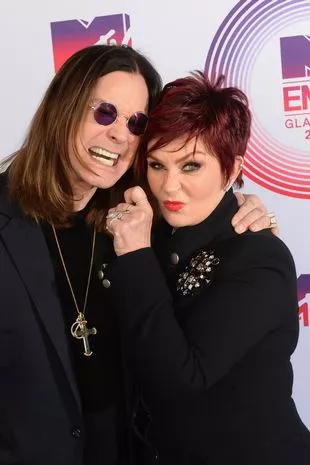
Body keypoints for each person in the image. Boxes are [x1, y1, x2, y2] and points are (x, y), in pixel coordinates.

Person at [0, 45, 276, 465]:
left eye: (136, 122)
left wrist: (242, 209)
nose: (119, 134)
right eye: (105, 112)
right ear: (64, 108)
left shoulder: (137, 220)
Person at [106, 71, 310, 465]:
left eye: (191, 166)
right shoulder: (157, 229)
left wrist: (134, 256)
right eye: (157, 165)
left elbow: (182, 377)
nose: (168, 187)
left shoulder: (259, 257)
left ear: (232, 170)